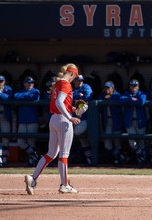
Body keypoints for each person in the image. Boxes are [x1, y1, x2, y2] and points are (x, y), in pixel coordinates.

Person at [24, 63, 82, 195]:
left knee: (51, 153)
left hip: (54, 119)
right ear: (72, 73)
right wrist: (70, 117)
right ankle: (65, 185)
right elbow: (59, 102)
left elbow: (60, 103)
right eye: (75, 76)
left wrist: (73, 109)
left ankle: (33, 179)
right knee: (64, 154)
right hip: (63, 120)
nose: (75, 79)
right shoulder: (66, 84)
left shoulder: (58, 83)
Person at [120, 79, 147, 167]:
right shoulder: (126, 94)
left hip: (140, 121)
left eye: (135, 86)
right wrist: (131, 99)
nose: (133, 87)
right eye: (132, 86)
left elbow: (141, 102)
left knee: (141, 142)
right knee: (132, 143)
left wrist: (130, 101)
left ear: (138, 87)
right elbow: (121, 100)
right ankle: (142, 157)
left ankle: (141, 161)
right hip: (130, 122)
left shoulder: (141, 93)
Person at [14, 76, 40, 167]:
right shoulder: (20, 92)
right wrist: (26, 96)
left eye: (32, 83)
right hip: (22, 120)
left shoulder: (36, 91)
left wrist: (24, 97)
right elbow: (16, 96)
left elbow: (33, 96)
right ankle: (35, 156)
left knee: (31, 141)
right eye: (28, 83)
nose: (30, 84)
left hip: (32, 120)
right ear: (24, 83)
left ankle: (31, 161)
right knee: (20, 142)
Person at [98, 81, 125, 166]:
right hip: (107, 121)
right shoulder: (102, 96)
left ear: (113, 88)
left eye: (108, 88)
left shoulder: (118, 96)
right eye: (105, 88)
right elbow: (99, 109)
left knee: (117, 142)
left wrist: (110, 100)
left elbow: (119, 110)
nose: (107, 90)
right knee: (107, 144)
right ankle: (120, 156)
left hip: (117, 121)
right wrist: (104, 100)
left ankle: (117, 160)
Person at [72, 74, 93, 166]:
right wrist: (77, 95)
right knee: (82, 140)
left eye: (81, 81)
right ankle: (89, 158)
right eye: (78, 80)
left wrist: (75, 97)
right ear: (74, 81)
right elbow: (67, 98)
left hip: (84, 118)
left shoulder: (86, 87)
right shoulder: (71, 88)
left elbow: (88, 97)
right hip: (72, 118)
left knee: (77, 133)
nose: (80, 82)